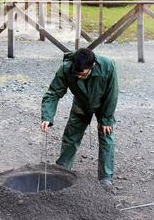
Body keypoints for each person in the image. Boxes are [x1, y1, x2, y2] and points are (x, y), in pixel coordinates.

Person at [41, 48, 118, 189]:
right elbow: (53, 93)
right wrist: (47, 116)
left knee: (106, 136)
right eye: (76, 74)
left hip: (103, 104)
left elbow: (112, 93)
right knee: (71, 135)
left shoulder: (108, 65)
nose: (79, 77)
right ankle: (63, 170)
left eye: (82, 74)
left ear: (93, 65)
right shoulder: (66, 68)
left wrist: (106, 118)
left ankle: (106, 178)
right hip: (81, 104)